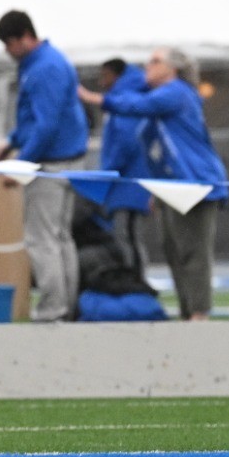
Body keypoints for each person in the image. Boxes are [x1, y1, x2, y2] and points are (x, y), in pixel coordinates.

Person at [81, 48, 226, 320]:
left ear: (172, 70)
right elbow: (153, 147)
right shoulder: (161, 99)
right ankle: (187, 312)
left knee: (194, 253)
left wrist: (96, 99)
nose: (147, 66)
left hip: (196, 184)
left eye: (155, 61)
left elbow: (136, 106)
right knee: (174, 251)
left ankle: (199, 313)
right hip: (172, 187)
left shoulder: (176, 92)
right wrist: (155, 189)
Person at [0, 11, 91, 323]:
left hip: (51, 163)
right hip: (67, 160)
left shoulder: (44, 68)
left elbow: (46, 126)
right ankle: (67, 307)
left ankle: (52, 310)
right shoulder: (44, 62)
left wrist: (21, 166)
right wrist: (9, 143)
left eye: (9, 45)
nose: (7, 52)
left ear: (24, 37)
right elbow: (33, 120)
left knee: (41, 239)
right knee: (60, 237)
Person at [94, 57, 156, 291]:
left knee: (127, 235)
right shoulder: (129, 96)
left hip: (128, 182)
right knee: (126, 234)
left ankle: (138, 282)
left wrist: (109, 169)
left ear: (115, 74)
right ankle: (134, 279)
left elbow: (126, 141)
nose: (102, 82)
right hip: (128, 181)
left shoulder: (124, 100)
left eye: (105, 76)